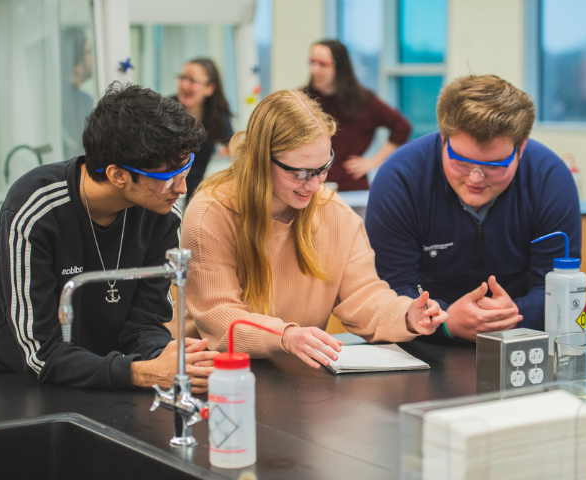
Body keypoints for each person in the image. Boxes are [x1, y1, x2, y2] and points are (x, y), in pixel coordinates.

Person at [0, 82, 218, 391]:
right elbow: (40, 352)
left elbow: (145, 325)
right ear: (118, 175)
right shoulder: (36, 209)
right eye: (169, 177)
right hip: (16, 382)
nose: (181, 189)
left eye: (185, 172)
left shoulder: (163, 216)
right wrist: (142, 373)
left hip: (107, 373)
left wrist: (168, 360)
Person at [176, 90, 447, 369]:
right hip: (214, 375)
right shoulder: (211, 212)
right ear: (261, 160)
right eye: (300, 173)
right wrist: (285, 336)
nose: (316, 186)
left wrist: (405, 315)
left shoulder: (333, 213)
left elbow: (363, 296)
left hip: (293, 374)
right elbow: (219, 318)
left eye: (322, 168)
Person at [365, 74, 582, 343]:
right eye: (462, 162)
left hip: (522, 345)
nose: (475, 178)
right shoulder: (400, 179)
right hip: (419, 349)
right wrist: (446, 321)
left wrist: (509, 316)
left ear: (521, 147)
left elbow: (557, 291)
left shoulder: (550, 179)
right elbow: (390, 291)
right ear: (443, 138)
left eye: (494, 165)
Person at [302, 39, 411, 191]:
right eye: (312, 62)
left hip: (350, 188)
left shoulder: (363, 100)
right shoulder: (301, 99)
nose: (315, 69)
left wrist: (372, 162)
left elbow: (402, 127)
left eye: (323, 64)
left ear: (339, 67)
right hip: (309, 186)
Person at [172, 58, 233, 202]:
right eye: (182, 78)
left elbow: (234, 145)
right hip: (165, 188)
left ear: (209, 88)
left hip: (196, 192)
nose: (184, 84)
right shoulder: (162, 111)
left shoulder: (217, 115)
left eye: (192, 80)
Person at [61, 27, 94, 160]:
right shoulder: (82, 102)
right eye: (87, 52)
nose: (91, 58)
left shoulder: (58, 97)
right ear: (77, 66)